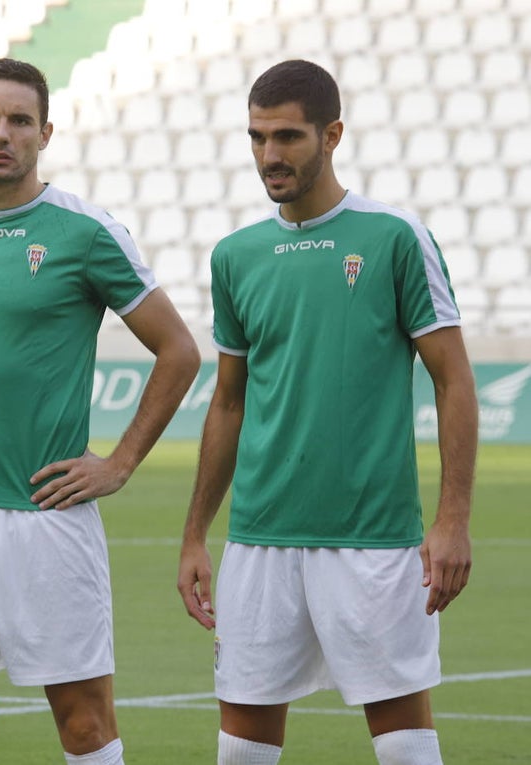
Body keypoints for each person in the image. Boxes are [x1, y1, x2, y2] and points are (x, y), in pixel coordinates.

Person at [0, 58, 201, 765]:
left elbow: (179, 351)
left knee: (85, 722)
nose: (3, 134)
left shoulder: (85, 232)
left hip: (47, 516)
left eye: (20, 121)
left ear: (45, 133)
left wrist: (118, 462)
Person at [177, 59, 477, 765]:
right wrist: (196, 533)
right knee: (241, 754)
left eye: (287, 136)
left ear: (332, 134)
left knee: (405, 749)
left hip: (371, 536)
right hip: (259, 537)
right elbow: (228, 400)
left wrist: (452, 519)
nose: (270, 156)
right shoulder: (236, 256)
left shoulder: (394, 237)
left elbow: (455, 380)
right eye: (257, 137)